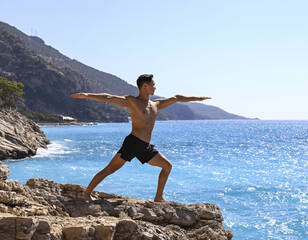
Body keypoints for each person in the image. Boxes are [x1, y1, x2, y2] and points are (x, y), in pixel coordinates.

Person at [70, 74, 211, 202]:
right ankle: (87, 193)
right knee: (110, 169)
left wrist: (197, 98)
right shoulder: (132, 101)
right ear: (145, 86)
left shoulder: (156, 104)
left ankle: (158, 197)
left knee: (167, 166)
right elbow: (109, 97)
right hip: (133, 143)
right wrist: (87, 95)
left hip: (144, 146)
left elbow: (176, 98)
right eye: (153, 84)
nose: (155, 87)